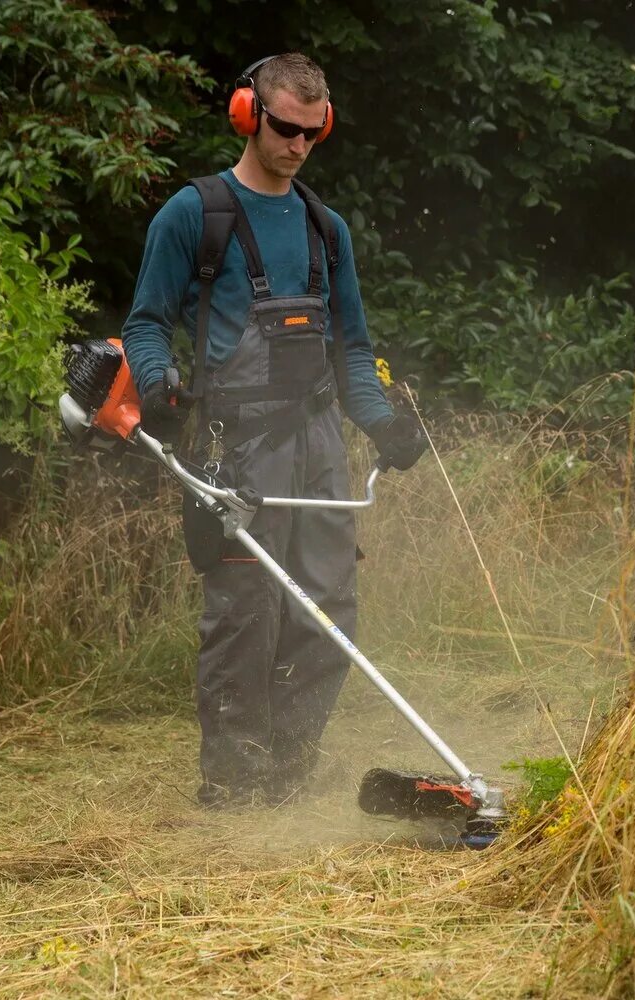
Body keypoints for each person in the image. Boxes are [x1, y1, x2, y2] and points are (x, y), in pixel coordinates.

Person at [120, 52, 427, 808]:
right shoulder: (195, 215)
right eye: (284, 128)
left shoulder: (328, 231)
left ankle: (288, 774)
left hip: (318, 442)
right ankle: (231, 784)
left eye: (311, 134)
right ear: (247, 115)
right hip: (237, 446)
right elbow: (146, 324)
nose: (296, 146)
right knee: (245, 614)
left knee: (328, 610)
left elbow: (352, 348)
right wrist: (158, 385)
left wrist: (383, 422)